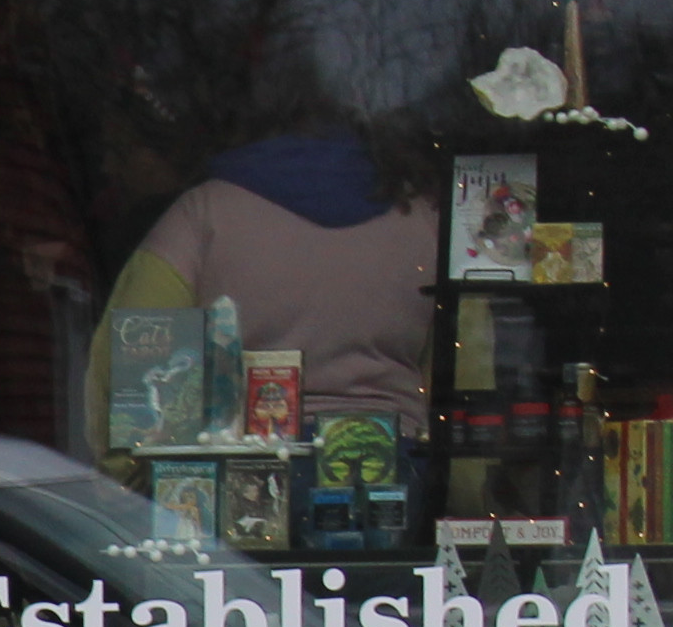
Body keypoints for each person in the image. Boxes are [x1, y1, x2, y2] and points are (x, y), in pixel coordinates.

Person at [89, 124, 433, 452]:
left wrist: (131, 489)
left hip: (236, 472)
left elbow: (135, 385)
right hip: (391, 467)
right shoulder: (425, 220)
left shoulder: (202, 212)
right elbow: (464, 376)